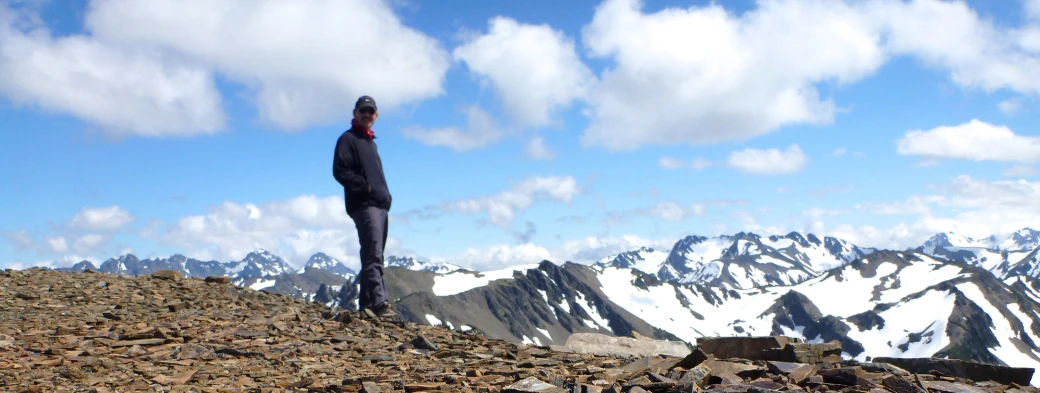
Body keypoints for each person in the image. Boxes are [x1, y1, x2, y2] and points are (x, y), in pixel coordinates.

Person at [333, 95, 395, 319]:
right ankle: (380, 304)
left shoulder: (370, 143)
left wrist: (384, 196)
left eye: (371, 112)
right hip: (365, 205)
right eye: (363, 111)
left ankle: (367, 306)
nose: (367, 115)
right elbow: (341, 171)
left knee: (374, 253)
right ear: (355, 113)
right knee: (373, 255)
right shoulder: (348, 139)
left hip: (379, 206)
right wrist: (366, 188)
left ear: (376, 116)